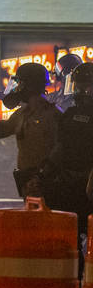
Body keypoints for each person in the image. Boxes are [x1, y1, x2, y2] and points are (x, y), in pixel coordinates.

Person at [41, 62, 93, 253]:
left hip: (89, 182)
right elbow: (60, 147)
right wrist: (44, 171)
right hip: (70, 181)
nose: (79, 90)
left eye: (83, 85)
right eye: (77, 84)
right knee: (70, 236)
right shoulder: (70, 114)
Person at [0, 62, 59, 199]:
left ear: (29, 86)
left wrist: (41, 174)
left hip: (44, 181)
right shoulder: (24, 113)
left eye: (18, 83)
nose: (15, 89)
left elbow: (59, 149)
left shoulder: (51, 115)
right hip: (29, 180)